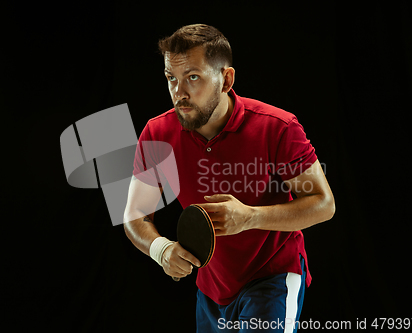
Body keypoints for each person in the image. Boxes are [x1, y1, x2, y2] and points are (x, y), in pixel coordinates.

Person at [123, 24, 335, 333]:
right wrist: (161, 249)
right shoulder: (157, 134)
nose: (179, 92)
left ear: (226, 79)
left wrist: (250, 217)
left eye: (192, 77)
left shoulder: (278, 127)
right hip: (212, 286)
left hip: (272, 275)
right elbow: (135, 214)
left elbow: (323, 203)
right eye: (171, 78)